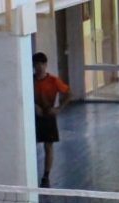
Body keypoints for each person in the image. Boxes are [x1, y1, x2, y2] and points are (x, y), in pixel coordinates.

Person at [32, 51, 71, 188]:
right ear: (33, 65)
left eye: (42, 64)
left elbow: (68, 93)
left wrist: (59, 108)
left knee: (48, 146)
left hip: (48, 117)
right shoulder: (29, 81)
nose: (39, 67)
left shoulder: (54, 80)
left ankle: (46, 176)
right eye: (37, 64)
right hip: (33, 119)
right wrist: (33, 106)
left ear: (46, 65)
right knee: (30, 146)